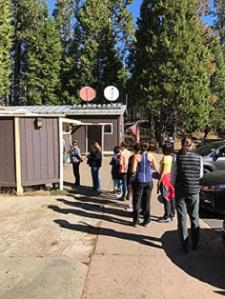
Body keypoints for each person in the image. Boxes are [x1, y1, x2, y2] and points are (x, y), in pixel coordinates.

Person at [173, 136, 203, 253]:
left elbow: (173, 175)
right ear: (192, 144)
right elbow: (200, 175)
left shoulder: (177, 157)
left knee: (182, 218)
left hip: (181, 190)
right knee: (194, 217)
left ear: (182, 144)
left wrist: (175, 184)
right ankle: (195, 243)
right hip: (194, 190)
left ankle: (184, 244)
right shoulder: (198, 157)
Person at [131, 141, 157, 227]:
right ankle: (147, 220)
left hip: (139, 180)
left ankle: (136, 220)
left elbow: (133, 170)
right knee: (147, 201)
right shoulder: (151, 156)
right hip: (149, 180)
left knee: (137, 201)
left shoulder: (136, 156)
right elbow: (155, 168)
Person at [157, 143, 175, 222]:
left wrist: (159, 181)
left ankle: (167, 216)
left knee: (165, 197)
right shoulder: (172, 157)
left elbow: (163, 171)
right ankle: (172, 214)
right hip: (171, 177)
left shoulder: (165, 158)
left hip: (164, 178)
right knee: (171, 196)